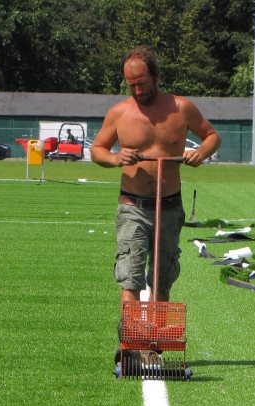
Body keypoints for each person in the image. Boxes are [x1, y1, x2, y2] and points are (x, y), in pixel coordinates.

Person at [91, 45, 220, 304]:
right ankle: (130, 342)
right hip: (132, 207)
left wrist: (200, 154)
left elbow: (212, 136)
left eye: (142, 83)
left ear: (156, 77)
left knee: (162, 278)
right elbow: (97, 150)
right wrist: (116, 158)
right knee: (130, 276)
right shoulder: (119, 113)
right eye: (131, 85)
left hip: (169, 207)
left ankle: (154, 341)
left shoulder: (181, 108)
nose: (138, 91)